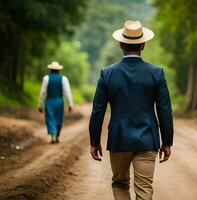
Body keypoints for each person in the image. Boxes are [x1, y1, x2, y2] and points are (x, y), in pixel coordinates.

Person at [89, 20, 174, 200]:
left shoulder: (107, 73)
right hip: (147, 139)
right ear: (142, 45)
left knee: (120, 183)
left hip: (119, 139)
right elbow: (164, 110)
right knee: (144, 189)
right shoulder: (156, 73)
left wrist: (94, 141)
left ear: (121, 44)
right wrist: (167, 142)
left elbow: (98, 111)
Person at [39, 61, 73, 144]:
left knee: (50, 118)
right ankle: (56, 136)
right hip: (59, 101)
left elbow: (43, 92)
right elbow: (67, 92)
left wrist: (40, 104)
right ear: (59, 70)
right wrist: (70, 104)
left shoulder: (46, 78)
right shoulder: (63, 79)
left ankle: (53, 137)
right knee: (58, 118)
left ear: (50, 69)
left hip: (49, 101)